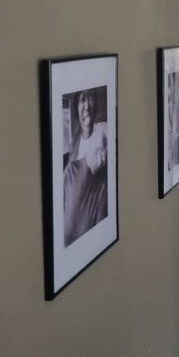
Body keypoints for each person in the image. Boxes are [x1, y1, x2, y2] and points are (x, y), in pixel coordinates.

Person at [63, 88, 108, 247]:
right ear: (76, 108)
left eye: (90, 99)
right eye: (82, 100)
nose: (87, 106)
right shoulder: (73, 147)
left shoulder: (104, 132)